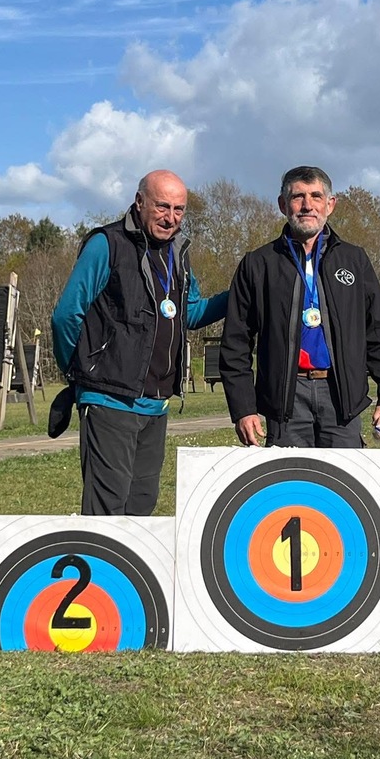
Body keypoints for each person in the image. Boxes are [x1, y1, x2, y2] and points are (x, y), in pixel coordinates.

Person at [51, 169, 228, 516]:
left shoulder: (180, 252)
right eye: (162, 207)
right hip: (109, 399)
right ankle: (99, 572)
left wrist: (239, 294)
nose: (171, 217)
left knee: (142, 507)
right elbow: (66, 316)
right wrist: (80, 372)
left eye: (179, 210)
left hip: (155, 405)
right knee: (108, 509)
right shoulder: (107, 244)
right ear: (139, 201)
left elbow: (189, 313)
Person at [220, 165, 380, 448]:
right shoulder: (258, 264)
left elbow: (379, 333)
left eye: (316, 196)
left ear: (330, 205)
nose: (307, 206)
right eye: (298, 197)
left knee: (343, 488)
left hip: (342, 396)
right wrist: (243, 407)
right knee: (291, 488)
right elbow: (235, 343)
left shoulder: (354, 260)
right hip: (285, 400)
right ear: (283, 205)